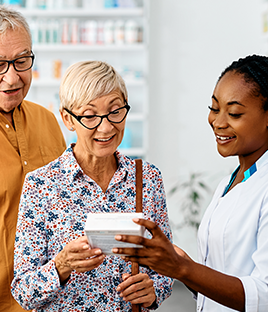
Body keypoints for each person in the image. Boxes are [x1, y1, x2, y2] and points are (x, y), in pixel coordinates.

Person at [112, 55, 268, 312]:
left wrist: (183, 268)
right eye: (214, 109)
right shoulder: (232, 181)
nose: (218, 122)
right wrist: (178, 263)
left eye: (234, 113)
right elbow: (223, 274)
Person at [11, 60, 173, 311]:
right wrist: (61, 265)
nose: (106, 127)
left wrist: (153, 291)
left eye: (115, 111)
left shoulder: (148, 179)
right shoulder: (40, 185)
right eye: (89, 115)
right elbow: (23, 292)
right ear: (68, 119)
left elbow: (167, 266)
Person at [0, 6, 66, 312]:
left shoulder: (47, 120)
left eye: (21, 61)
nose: (12, 77)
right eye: (0, 64)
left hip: (52, 296)